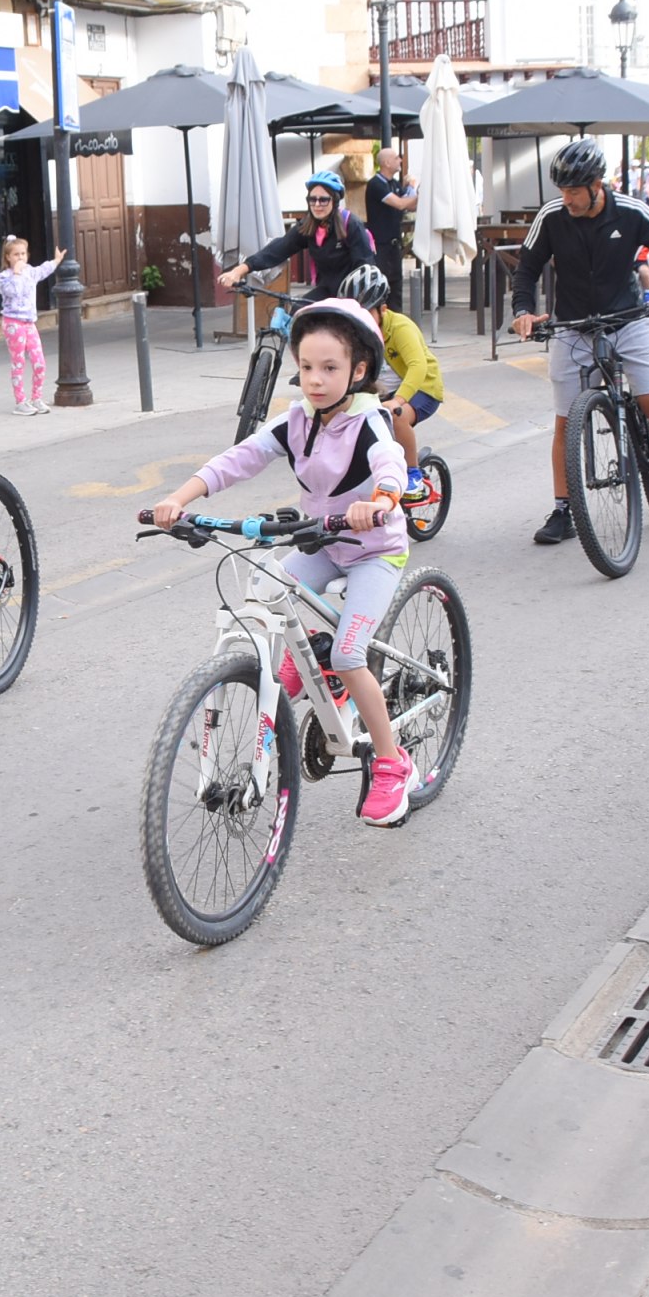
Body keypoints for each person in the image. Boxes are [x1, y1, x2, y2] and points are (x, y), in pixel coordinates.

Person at [147, 297, 418, 826]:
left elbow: (391, 465)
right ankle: (298, 664)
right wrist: (180, 498)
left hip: (374, 553)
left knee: (347, 653)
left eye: (331, 368)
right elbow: (238, 459)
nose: (315, 380)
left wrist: (382, 501)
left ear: (359, 370)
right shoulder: (295, 420)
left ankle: (391, 762)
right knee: (265, 583)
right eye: (307, 367)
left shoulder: (368, 422)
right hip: (322, 543)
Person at [509, 138, 649, 545]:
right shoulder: (552, 217)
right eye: (562, 191)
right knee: (565, 419)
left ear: (599, 184)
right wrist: (523, 311)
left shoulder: (630, 211)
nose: (567, 199)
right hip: (574, 324)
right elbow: (526, 270)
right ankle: (563, 510)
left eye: (574, 191)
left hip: (629, 319)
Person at [340, 261, 442, 489]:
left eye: (365, 312)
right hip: (384, 391)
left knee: (396, 416)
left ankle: (412, 472)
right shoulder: (353, 332)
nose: (358, 319)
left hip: (421, 388)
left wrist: (398, 400)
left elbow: (417, 367)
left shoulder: (400, 327)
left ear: (383, 310)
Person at [218, 172, 377, 297]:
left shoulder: (351, 224)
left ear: (334, 201)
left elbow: (365, 267)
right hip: (326, 291)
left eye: (323, 200)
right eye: (312, 199)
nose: (317, 205)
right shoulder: (308, 226)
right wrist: (239, 270)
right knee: (297, 315)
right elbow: (278, 249)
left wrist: (357, 301)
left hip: (352, 294)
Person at [0, 234, 63, 415]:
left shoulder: (30, 272)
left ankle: (37, 397)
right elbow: (14, 292)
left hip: (29, 322)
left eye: (23, 254)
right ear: (8, 257)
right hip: (13, 323)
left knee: (39, 361)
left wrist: (56, 261)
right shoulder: (4, 277)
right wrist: (17, 272)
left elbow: (42, 270)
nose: (20, 258)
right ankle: (20, 401)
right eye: (16, 254)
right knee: (18, 362)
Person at [364, 150, 417, 312]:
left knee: (396, 286)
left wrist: (414, 191)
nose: (400, 160)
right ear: (386, 163)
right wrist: (415, 188)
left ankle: (396, 321)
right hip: (380, 245)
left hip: (394, 244)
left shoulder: (394, 184)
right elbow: (400, 204)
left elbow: (411, 205)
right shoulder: (376, 184)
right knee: (381, 287)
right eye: (396, 158)